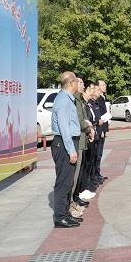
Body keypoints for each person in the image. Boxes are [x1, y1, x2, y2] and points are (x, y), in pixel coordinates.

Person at [50, 71, 82, 228]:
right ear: (70, 83)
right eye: (76, 81)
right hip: (63, 144)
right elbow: (64, 128)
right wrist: (71, 150)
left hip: (66, 143)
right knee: (63, 181)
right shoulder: (63, 100)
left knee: (69, 181)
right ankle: (60, 217)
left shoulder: (68, 99)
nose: (78, 84)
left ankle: (66, 213)